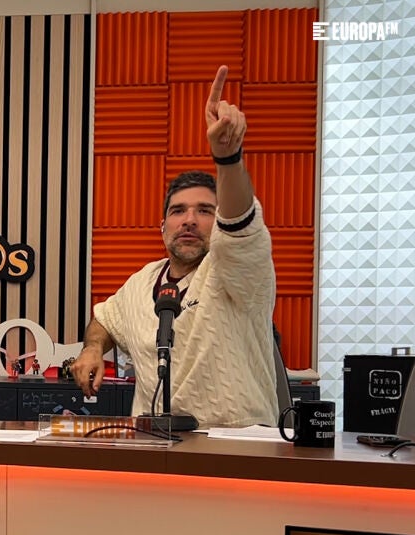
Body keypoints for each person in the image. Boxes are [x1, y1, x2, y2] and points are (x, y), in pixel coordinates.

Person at [70, 65, 278, 427]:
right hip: (155, 445)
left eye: (205, 211)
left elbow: (240, 222)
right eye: (178, 211)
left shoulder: (237, 268)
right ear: (162, 227)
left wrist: (228, 158)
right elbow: (106, 319)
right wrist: (92, 348)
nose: (190, 220)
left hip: (237, 447)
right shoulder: (142, 281)